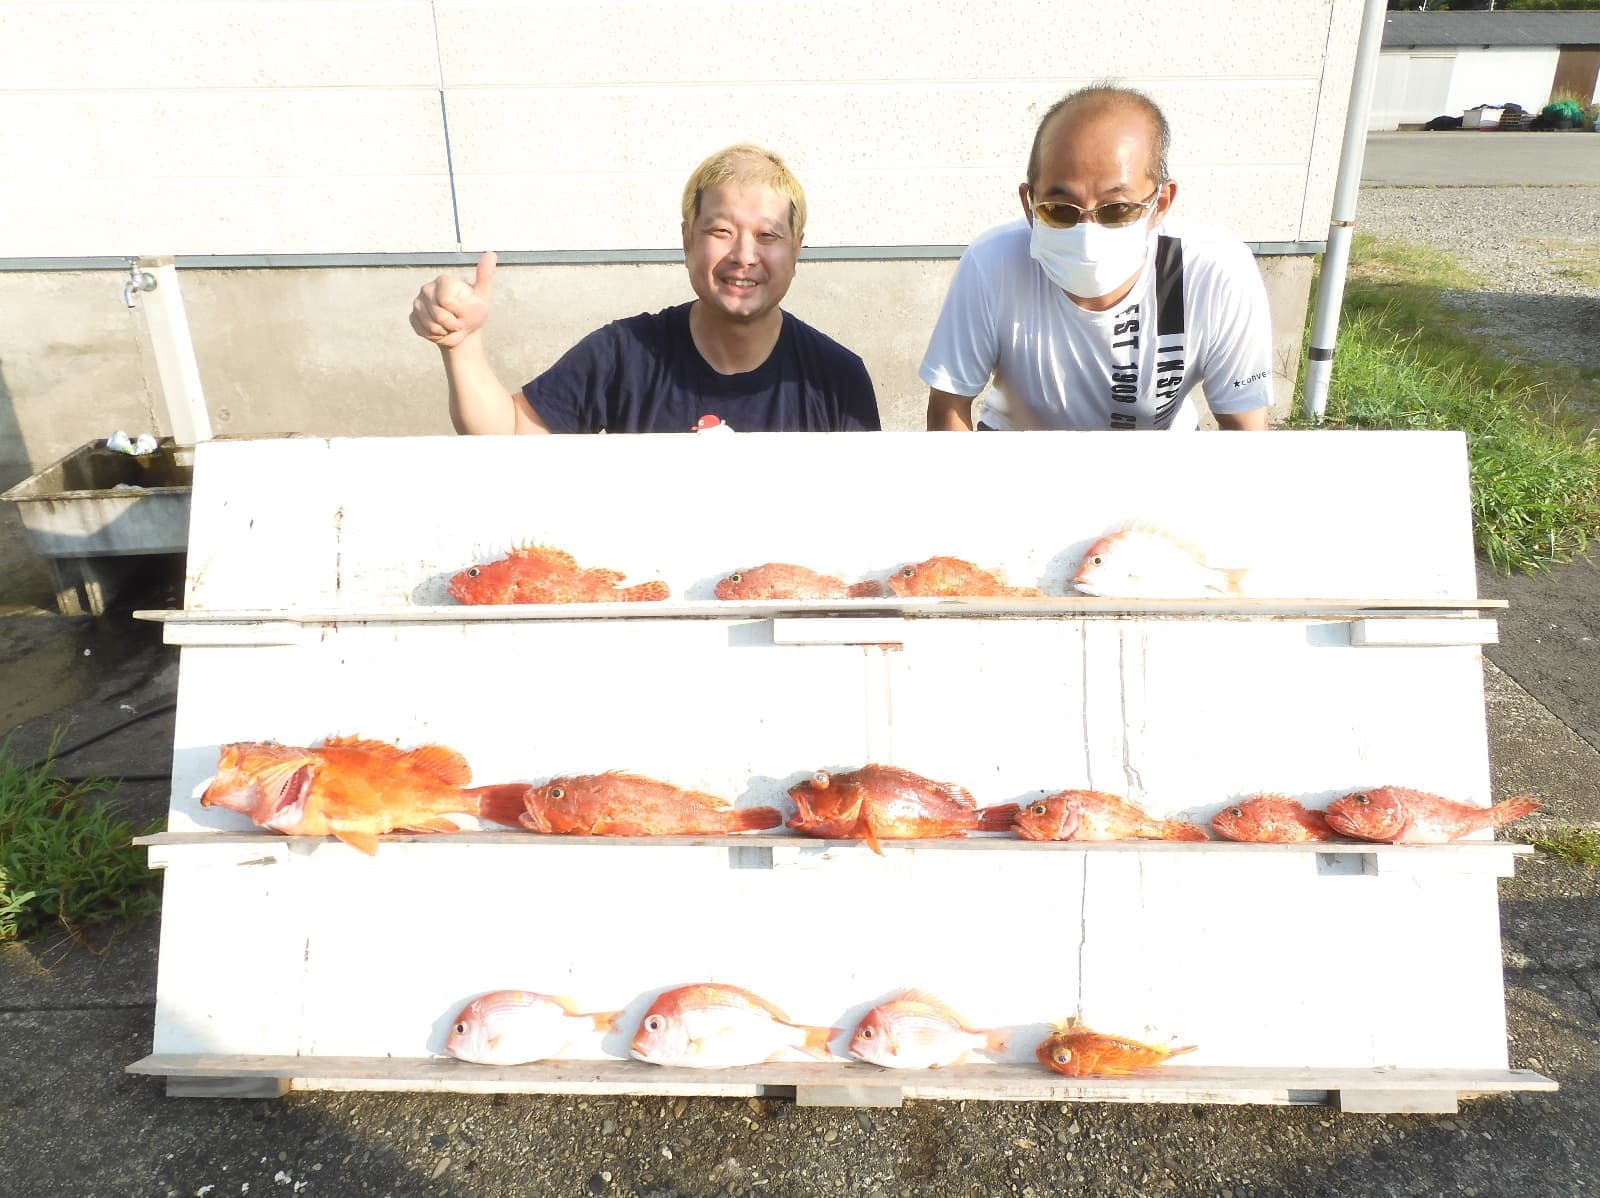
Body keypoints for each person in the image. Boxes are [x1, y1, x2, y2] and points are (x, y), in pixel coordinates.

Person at [410, 144, 880, 434]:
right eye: (720, 231)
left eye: (768, 235)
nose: (743, 255)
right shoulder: (623, 354)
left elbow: (866, 515)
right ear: (687, 239)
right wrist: (462, 345)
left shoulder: (836, 378)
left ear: (796, 249)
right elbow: (511, 440)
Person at [922, 85, 1273, 432]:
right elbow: (949, 407)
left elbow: (1245, 428)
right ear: (1030, 205)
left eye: (1117, 209)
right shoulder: (992, 262)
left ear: (1160, 204)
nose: (1088, 233)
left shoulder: (1215, 271)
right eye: (1060, 209)